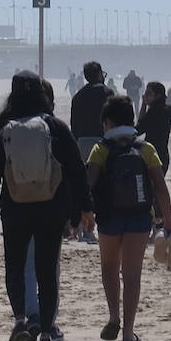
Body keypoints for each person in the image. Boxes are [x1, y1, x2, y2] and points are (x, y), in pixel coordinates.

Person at [0, 71, 92, 341]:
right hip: (51, 208)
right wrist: (84, 208)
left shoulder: (2, 127)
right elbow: (76, 170)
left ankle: (20, 322)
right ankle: (47, 334)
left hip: (15, 208)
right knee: (46, 270)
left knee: (15, 266)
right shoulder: (54, 126)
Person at [86, 95, 171, 341]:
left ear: (109, 122)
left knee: (109, 267)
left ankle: (114, 316)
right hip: (139, 218)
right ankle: (128, 332)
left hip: (109, 217)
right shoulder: (146, 149)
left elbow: (88, 185)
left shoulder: (100, 149)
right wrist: (168, 223)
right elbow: (161, 188)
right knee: (132, 275)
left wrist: (84, 214)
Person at [70, 61, 112, 242]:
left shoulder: (78, 96)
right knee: (103, 184)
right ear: (99, 74)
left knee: (85, 185)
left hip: (82, 143)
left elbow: (74, 126)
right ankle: (97, 226)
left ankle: (82, 227)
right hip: (102, 142)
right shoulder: (107, 93)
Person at [136, 81, 171, 172]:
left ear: (157, 96)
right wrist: (144, 104)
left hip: (153, 156)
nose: (145, 95)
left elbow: (139, 129)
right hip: (163, 155)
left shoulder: (154, 112)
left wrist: (143, 104)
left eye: (148, 93)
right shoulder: (164, 110)